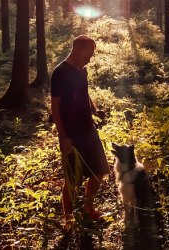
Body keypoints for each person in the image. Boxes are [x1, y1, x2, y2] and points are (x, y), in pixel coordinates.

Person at [50, 35, 110, 226]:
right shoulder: (60, 73)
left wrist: (95, 109)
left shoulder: (82, 70)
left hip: (88, 129)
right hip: (71, 134)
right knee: (72, 179)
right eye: (89, 54)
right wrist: (63, 137)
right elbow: (55, 106)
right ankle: (68, 218)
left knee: (99, 170)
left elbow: (85, 92)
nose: (90, 58)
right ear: (78, 50)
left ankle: (88, 208)